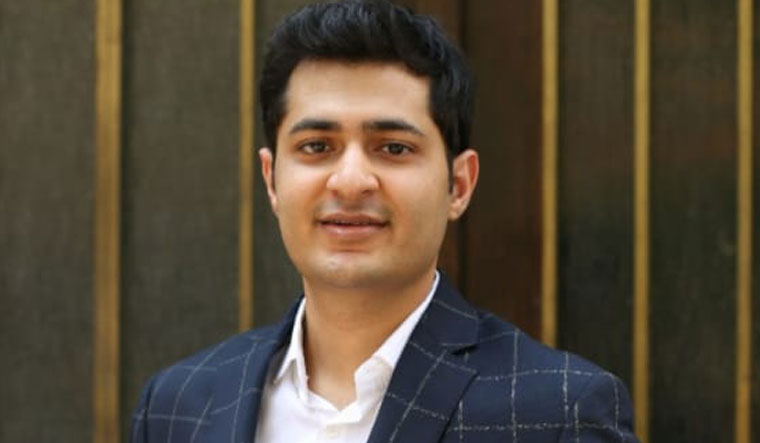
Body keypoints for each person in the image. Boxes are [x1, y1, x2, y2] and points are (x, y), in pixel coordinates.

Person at [130, 1, 638, 442]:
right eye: (317, 146)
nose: (351, 181)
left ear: (459, 185)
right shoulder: (179, 407)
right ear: (272, 179)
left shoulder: (558, 412)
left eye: (393, 148)